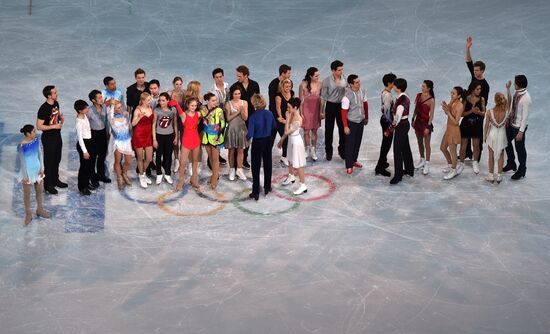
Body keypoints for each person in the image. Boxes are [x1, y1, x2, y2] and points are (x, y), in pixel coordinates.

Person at [36, 85, 67, 195]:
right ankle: (48, 185)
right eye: (54, 93)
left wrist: (60, 119)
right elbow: (39, 126)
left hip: (57, 136)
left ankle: (55, 179)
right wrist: (53, 127)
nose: (56, 94)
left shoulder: (56, 103)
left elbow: (55, 116)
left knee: (57, 159)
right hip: (48, 138)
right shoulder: (43, 108)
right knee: (49, 162)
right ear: (49, 95)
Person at [17, 124, 50, 225]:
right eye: (33, 132)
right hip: (26, 172)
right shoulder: (21, 145)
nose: (35, 133)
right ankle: (28, 214)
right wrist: (26, 176)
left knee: (39, 191)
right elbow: (22, 162)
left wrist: (42, 168)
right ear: (27, 133)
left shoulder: (36, 140)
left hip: (37, 170)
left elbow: (40, 154)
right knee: (27, 195)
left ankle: (39, 209)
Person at [247, 94, 276, 201]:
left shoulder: (253, 116)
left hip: (258, 143)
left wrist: (245, 136)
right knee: (268, 164)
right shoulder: (269, 113)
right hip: (268, 141)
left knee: (255, 167)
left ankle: (255, 192)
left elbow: (250, 134)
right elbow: (274, 126)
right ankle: (267, 187)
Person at [465, 36, 490, 161]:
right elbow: (469, 62)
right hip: (468, 109)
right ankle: (468, 153)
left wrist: (480, 113)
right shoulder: (474, 77)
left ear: (482, 71)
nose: (474, 72)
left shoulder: (485, 85)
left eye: (477, 70)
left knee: (477, 135)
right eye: (474, 70)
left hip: (478, 112)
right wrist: (468, 48)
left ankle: (477, 156)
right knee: (467, 132)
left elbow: (484, 101)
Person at [231, 65, 260, 169]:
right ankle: (235, 162)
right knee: (238, 140)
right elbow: (232, 103)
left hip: (252, 116)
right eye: (237, 76)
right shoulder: (234, 86)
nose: (237, 78)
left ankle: (244, 159)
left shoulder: (255, 85)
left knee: (248, 138)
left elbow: (258, 100)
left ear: (246, 75)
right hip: (239, 117)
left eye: (239, 76)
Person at [504, 75, 531, 180]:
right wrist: (507, 90)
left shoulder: (526, 98)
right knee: (505, 141)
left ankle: (522, 170)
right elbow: (511, 102)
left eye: (515, 83)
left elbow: (525, 117)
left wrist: (521, 132)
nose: (514, 84)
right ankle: (511, 163)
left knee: (520, 149)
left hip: (519, 128)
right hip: (511, 124)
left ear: (519, 85)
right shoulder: (517, 92)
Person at [278, 97, 308, 195]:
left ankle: (303, 185)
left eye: (289, 107)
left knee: (298, 164)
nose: (288, 110)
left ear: (295, 108)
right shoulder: (292, 114)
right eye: (287, 107)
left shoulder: (298, 120)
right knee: (290, 160)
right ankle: (291, 176)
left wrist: (287, 119)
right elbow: (287, 133)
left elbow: (287, 130)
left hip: (296, 142)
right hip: (291, 140)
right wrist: (281, 140)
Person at [484, 82, 512, 183]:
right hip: (502, 134)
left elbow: (486, 126)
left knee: (490, 155)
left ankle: (491, 175)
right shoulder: (506, 110)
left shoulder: (489, 112)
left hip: (492, 135)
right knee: (501, 155)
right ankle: (499, 176)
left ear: (495, 101)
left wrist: (484, 136)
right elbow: (510, 100)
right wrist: (508, 89)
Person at [341, 74, 368, 175]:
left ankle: (354, 160)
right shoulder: (347, 97)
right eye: (356, 82)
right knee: (350, 145)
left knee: (357, 142)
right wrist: (345, 126)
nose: (359, 84)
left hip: (360, 121)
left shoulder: (362, 91)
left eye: (359, 81)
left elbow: (365, 104)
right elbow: (343, 112)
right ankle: (349, 165)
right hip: (351, 123)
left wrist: (367, 117)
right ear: (351, 84)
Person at [389, 78, 414, 184]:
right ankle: (409, 169)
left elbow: (397, 117)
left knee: (397, 151)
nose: (393, 86)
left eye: (394, 85)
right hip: (405, 124)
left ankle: (398, 176)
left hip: (401, 126)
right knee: (405, 147)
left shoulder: (400, 102)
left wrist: (391, 127)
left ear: (397, 88)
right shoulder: (405, 95)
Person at [321, 60, 347, 161]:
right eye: (339, 70)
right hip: (331, 106)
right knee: (329, 130)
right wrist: (321, 111)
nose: (341, 71)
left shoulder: (345, 79)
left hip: (342, 106)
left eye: (342, 69)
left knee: (342, 129)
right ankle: (329, 151)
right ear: (333, 70)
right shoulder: (326, 81)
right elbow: (323, 97)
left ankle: (342, 150)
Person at [458, 81, 486, 175]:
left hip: (476, 125)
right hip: (465, 124)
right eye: (477, 89)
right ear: (473, 89)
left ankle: (475, 162)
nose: (479, 91)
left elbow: (484, 113)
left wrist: (478, 112)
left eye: (480, 89)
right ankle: (461, 163)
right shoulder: (466, 99)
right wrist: (471, 111)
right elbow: (462, 114)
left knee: (476, 146)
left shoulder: (482, 99)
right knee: (463, 146)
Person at [175, 98, 202, 191]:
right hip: (186, 141)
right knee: (182, 162)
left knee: (195, 161)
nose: (194, 107)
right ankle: (181, 180)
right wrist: (176, 103)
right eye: (192, 105)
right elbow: (179, 109)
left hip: (196, 140)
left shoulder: (198, 114)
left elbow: (206, 111)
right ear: (187, 105)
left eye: (195, 105)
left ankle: (194, 179)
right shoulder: (183, 115)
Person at [201, 93, 226, 189]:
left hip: (216, 136)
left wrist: (218, 136)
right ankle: (214, 174)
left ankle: (215, 177)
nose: (215, 102)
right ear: (207, 101)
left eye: (216, 100)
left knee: (215, 158)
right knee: (210, 157)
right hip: (206, 136)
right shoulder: (203, 109)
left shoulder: (219, 110)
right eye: (213, 100)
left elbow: (223, 124)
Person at [440, 87, 466, 180]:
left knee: (453, 152)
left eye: (454, 93)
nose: (451, 95)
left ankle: (454, 170)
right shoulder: (452, 102)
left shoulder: (460, 106)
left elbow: (456, 122)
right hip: (448, 129)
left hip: (454, 130)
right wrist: (445, 108)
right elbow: (447, 113)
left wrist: (448, 111)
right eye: (451, 93)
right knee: (442, 148)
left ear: (459, 95)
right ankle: (451, 165)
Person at [224, 85, 249, 181]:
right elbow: (228, 119)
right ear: (232, 94)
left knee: (240, 150)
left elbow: (245, 118)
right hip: (231, 129)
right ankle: (231, 169)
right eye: (235, 94)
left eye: (239, 93)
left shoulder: (244, 103)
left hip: (241, 129)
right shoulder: (228, 104)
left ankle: (239, 169)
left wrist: (242, 112)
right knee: (231, 150)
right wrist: (238, 111)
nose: (237, 96)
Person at [152, 92, 178, 185]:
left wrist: (176, 137)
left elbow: (175, 124)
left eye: (163, 100)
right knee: (158, 155)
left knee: (168, 156)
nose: (161, 102)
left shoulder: (173, 110)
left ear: (168, 101)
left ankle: (167, 173)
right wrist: (154, 139)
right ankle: (159, 173)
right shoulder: (156, 110)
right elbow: (154, 125)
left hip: (170, 135)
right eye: (160, 100)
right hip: (159, 135)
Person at [411, 80, 435, 175]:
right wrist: (413, 119)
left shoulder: (431, 100)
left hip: (426, 123)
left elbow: (431, 115)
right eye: (422, 86)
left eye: (424, 86)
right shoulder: (419, 96)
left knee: (427, 144)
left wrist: (428, 127)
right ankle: (422, 159)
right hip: (418, 122)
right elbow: (416, 109)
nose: (422, 87)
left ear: (429, 88)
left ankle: (427, 163)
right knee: (419, 141)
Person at [108, 101, 133, 189]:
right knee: (118, 161)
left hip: (127, 141)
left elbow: (130, 128)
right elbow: (110, 114)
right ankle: (119, 177)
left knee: (128, 161)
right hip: (117, 142)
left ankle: (124, 173)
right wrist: (112, 105)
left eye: (120, 107)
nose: (121, 109)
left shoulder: (125, 116)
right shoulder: (112, 119)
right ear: (113, 110)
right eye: (118, 108)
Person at [375, 73, 396, 177]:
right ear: (389, 83)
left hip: (385, 120)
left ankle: (383, 162)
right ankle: (379, 167)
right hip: (387, 121)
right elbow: (387, 112)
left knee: (386, 143)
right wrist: (391, 125)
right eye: (394, 81)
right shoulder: (387, 95)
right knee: (386, 145)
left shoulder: (386, 92)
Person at [87, 90, 111, 185]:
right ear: (93, 100)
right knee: (93, 157)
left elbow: (106, 121)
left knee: (102, 156)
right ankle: (93, 177)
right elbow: (86, 125)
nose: (102, 99)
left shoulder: (104, 107)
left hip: (102, 134)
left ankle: (101, 175)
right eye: (99, 98)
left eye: (101, 97)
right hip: (93, 135)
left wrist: (107, 133)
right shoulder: (89, 110)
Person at [299, 67, 323, 161]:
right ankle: (306, 148)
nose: (318, 77)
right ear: (310, 76)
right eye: (316, 76)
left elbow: (323, 99)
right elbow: (300, 101)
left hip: (316, 110)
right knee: (306, 131)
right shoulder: (303, 85)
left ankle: (313, 149)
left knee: (314, 131)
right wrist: (301, 114)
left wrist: (322, 111)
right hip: (306, 109)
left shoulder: (320, 84)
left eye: (318, 75)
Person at [132, 92, 154, 188]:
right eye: (148, 100)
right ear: (143, 100)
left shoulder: (150, 108)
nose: (150, 101)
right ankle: (142, 175)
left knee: (149, 158)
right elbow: (133, 124)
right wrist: (139, 117)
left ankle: (143, 173)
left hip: (148, 135)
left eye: (150, 99)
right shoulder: (138, 110)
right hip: (139, 135)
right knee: (140, 158)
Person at [209, 68, 229, 166]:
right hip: (217, 116)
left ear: (223, 76)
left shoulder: (228, 87)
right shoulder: (212, 91)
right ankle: (214, 156)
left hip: (228, 113)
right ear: (214, 78)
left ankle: (219, 154)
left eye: (220, 77)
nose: (219, 79)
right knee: (217, 134)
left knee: (225, 134)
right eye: (216, 77)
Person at [74, 100, 95, 195]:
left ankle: (86, 183)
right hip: (84, 145)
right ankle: (82, 186)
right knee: (84, 167)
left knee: (89, 166)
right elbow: (80, 138)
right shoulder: (79, 122)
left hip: (89, 142)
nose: (87, 109)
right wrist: (85, 151)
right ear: (80, 110)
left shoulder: (84, 116)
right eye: (85, 108)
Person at [273, 78, 295, 166]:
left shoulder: (292, 93)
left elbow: (293, 104)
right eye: (286, 86)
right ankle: (283, 156)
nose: (288, 88)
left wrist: (292, 117)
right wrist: (281, 118)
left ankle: (285, 155)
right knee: (285, 137)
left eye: (290, 86)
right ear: (282, 86)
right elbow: (278, 108)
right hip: (280, 119)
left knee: (289, 137)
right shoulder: (278, 96)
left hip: (289, 117)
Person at [168, 76, 185, 173]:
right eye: (176, 84)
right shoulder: (170, 93)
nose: (178, 86)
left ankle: (182, 159)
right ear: (173, 84)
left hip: (182, 119)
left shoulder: (184, 93)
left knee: (183, 140)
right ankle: (176, 160)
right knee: (175, 140)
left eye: (180, 84)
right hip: (173, 119)